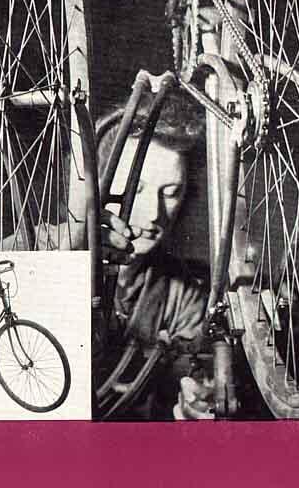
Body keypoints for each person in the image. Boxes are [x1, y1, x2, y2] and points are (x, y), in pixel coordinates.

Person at [93, 89, 216, 419]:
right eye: (139, 188)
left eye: (171, 192)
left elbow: (188, 376)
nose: (153, 214)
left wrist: (194, 400)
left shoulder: (184, 293)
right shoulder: (37, 245)